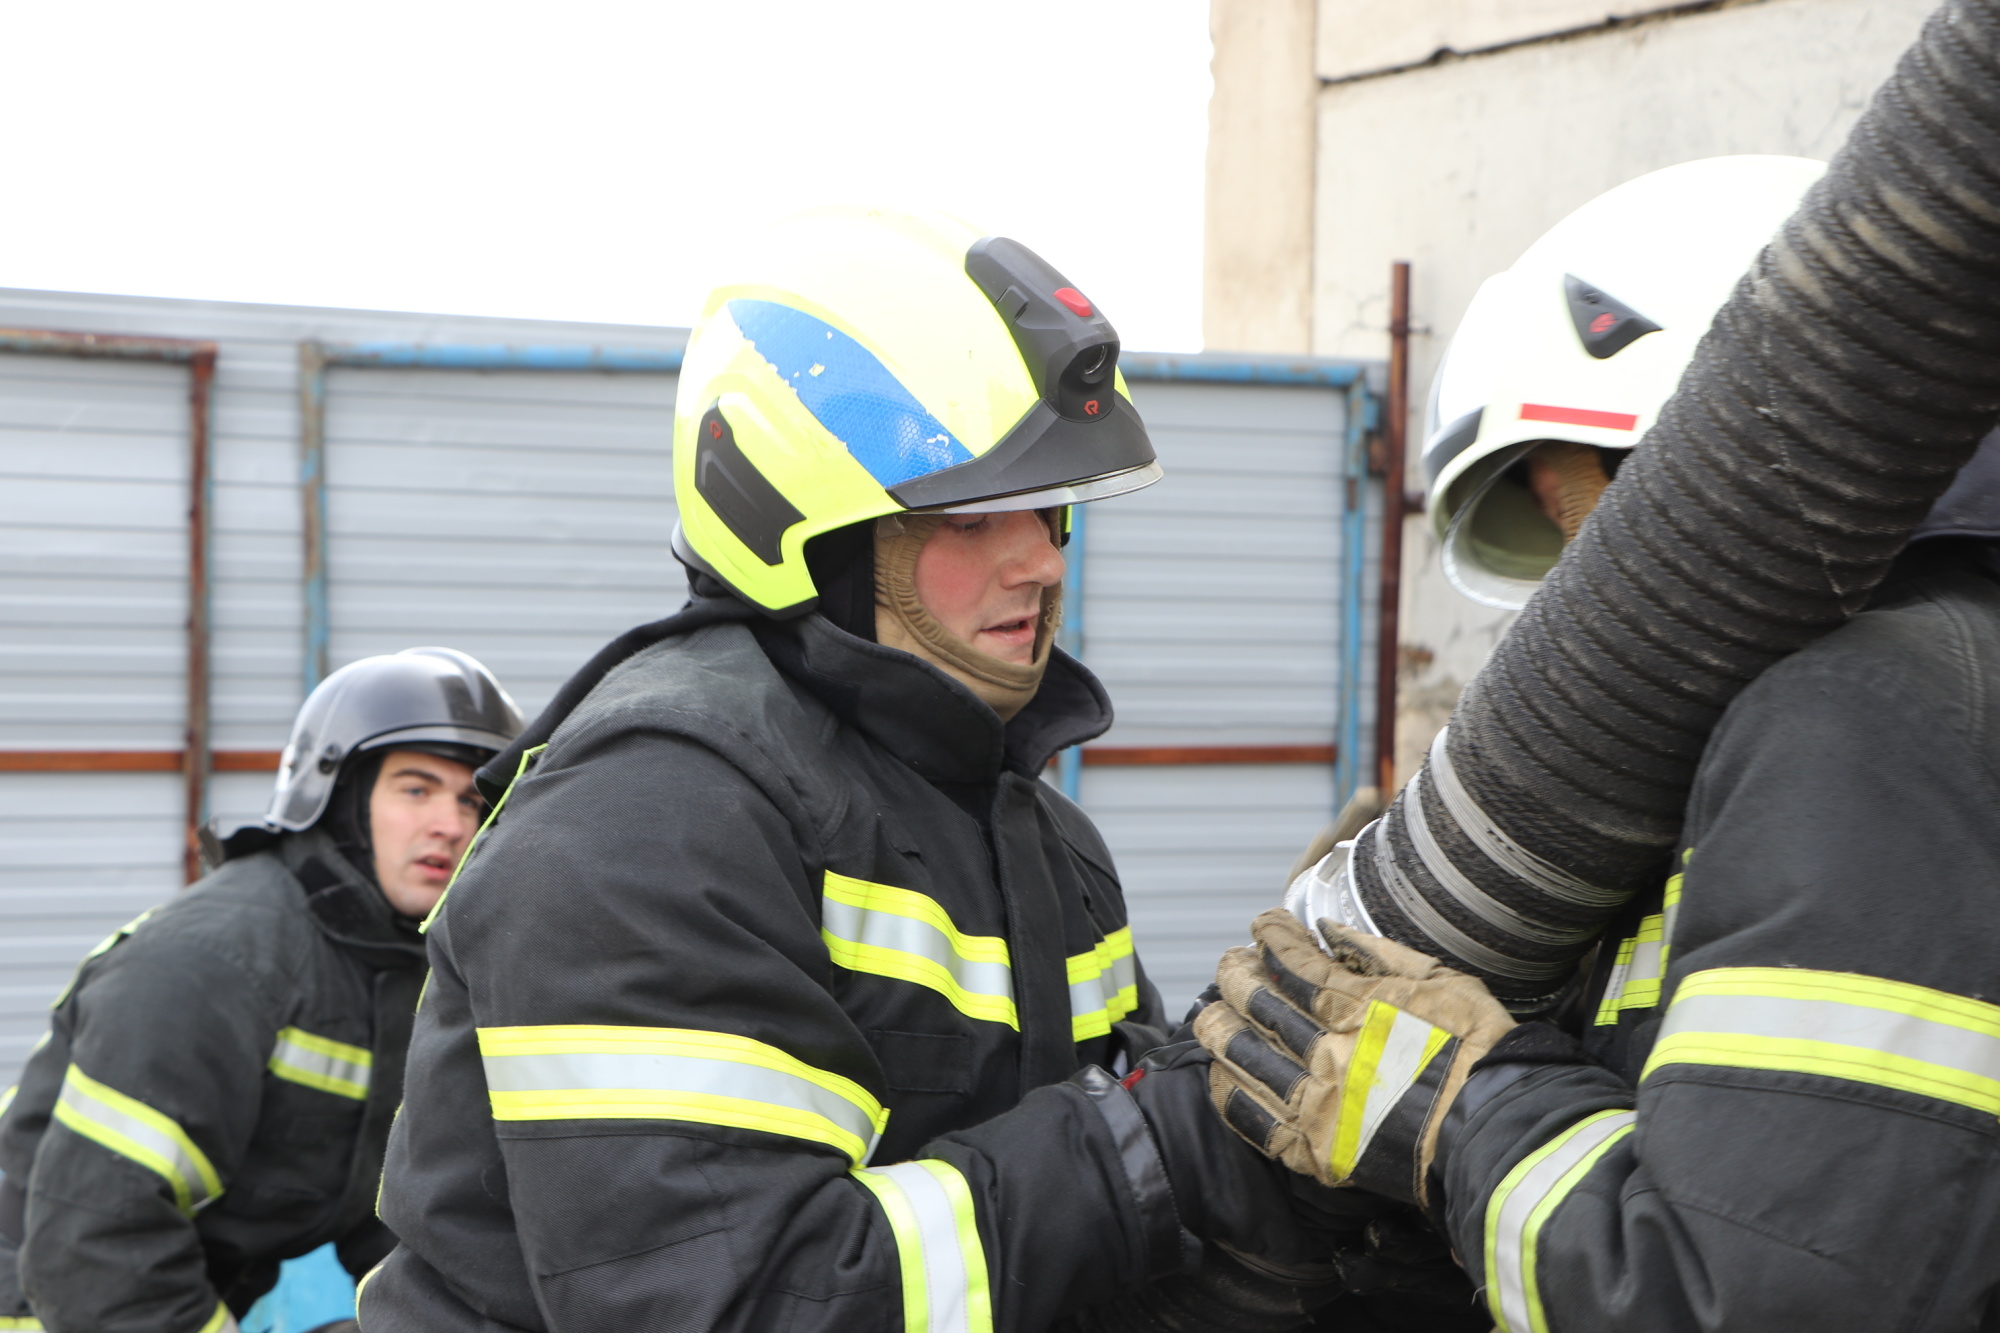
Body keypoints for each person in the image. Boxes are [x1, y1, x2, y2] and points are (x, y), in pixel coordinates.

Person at [357, 210, 1445, 1333]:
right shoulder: (652, 816)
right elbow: (738, 1302)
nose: (1037, 556)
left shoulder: (1037, 834)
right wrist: (1153, 1145)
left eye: (1047, 504)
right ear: (803, 528)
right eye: (971, 513)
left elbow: (1084, 1247)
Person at [1223, 153, 2000, 1330]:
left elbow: (1738, 1293)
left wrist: (1449, 1111)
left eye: (1590, 516)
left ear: (1703, 468)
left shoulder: (1858, 726)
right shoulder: (1914, 688)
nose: (1589, 614)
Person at [0, 647, 523, 1333]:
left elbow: (392, 1204)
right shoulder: (211, 961)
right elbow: (98, 1243)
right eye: (416, 788)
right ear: (338, 795)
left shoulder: (403, 962)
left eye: (472, 799)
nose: (450, 825)